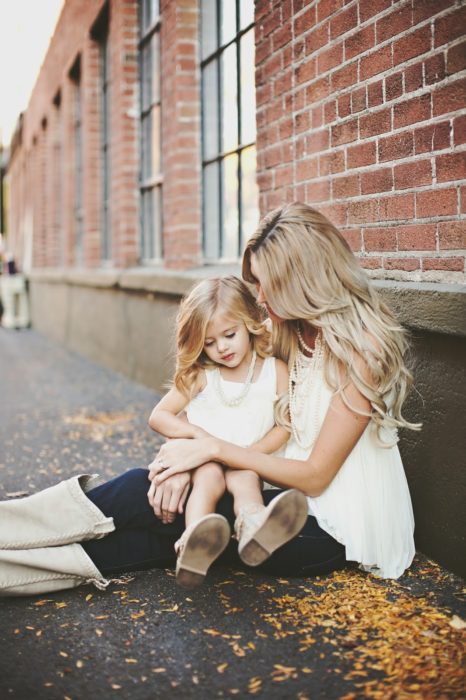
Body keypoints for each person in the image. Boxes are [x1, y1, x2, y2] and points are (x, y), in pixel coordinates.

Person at [0, 202, 418, 596]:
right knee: (153, 499)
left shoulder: (362, 349)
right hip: (293, 504)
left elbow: (315, 476)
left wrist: (208, 450)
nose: (261, 298)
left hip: (336, 530)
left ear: (301, 279)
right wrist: (187, 461)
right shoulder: (292, 329)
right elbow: (218, 380)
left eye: (265, 284)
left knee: (177, 520)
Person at [146, 276, 307, 588]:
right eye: (209, 342)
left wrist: (248, 455)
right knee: (208, 477)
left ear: (249, 323)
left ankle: (254, 526)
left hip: (249, 458)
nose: (221, 347)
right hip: (206, 461)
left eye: (229, 335)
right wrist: (201, 439)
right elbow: (160, 416)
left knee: (246, 479)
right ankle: (194, 541)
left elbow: (283, 427)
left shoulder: (276, 371)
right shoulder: (202, 375)